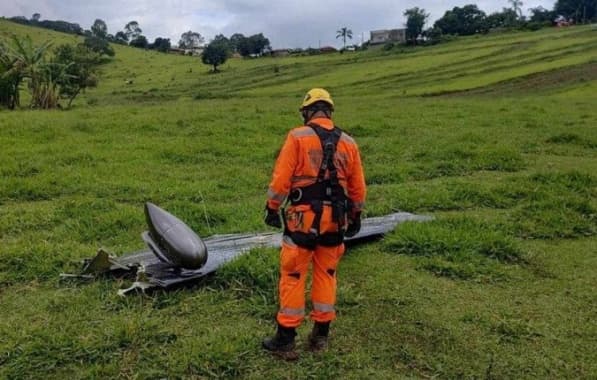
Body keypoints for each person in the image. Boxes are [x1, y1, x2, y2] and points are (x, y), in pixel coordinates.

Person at [262, 88, 366, 358]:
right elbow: (357, 188)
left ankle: (286, 341)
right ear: (329, 111)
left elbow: (281, 179)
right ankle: (320, 337)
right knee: (326, 274)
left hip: (302, 220)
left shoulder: (297, 136)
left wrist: (272, 208)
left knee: (294, 275)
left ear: (307, 112)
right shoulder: (349, 143)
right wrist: (356, 215)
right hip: (335, 222)